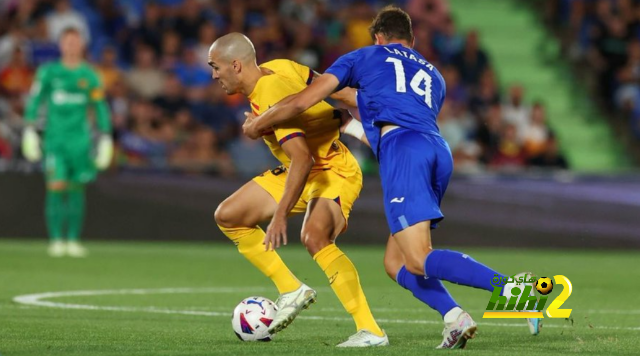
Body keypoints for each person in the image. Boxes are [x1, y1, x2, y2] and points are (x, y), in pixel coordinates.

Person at [242, 6, 541, 349]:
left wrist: (258, 124)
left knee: (417, 258)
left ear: (378, 38)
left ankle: (517, 292)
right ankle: (455, 317)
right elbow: (373, 103)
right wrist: (347, 119)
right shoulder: (434, 76)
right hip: (437, 151)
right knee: (395, 262)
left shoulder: (364, 56)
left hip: (404, 151)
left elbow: (303, 101)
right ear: (411, 41)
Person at [208, 33, 387, 347]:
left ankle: (370, 330)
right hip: (300, 168)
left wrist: (279, 217)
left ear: (235, 65)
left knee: (315, 237)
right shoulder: (280, 67)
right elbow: (335, 90)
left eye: (216, 67)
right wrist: (359, 126)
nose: (213, 75)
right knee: (229, 215)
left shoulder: (268, 94)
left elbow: (303, 158)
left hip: (331, 168)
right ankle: (291, 289)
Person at [22, 27, 113, 257]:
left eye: (75, 41)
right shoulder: (48, 72)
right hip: (55, 140)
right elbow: (35, 100)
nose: (71, 45)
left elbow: (100, 107)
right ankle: (55, 240)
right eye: (67, 41)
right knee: (55, 187)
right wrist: (30, 130)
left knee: (76, 190)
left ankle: (73, 240)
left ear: (82, 44)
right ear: (61, 44)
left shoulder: (90, 75)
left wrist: (105, 136)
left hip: (80, 142)